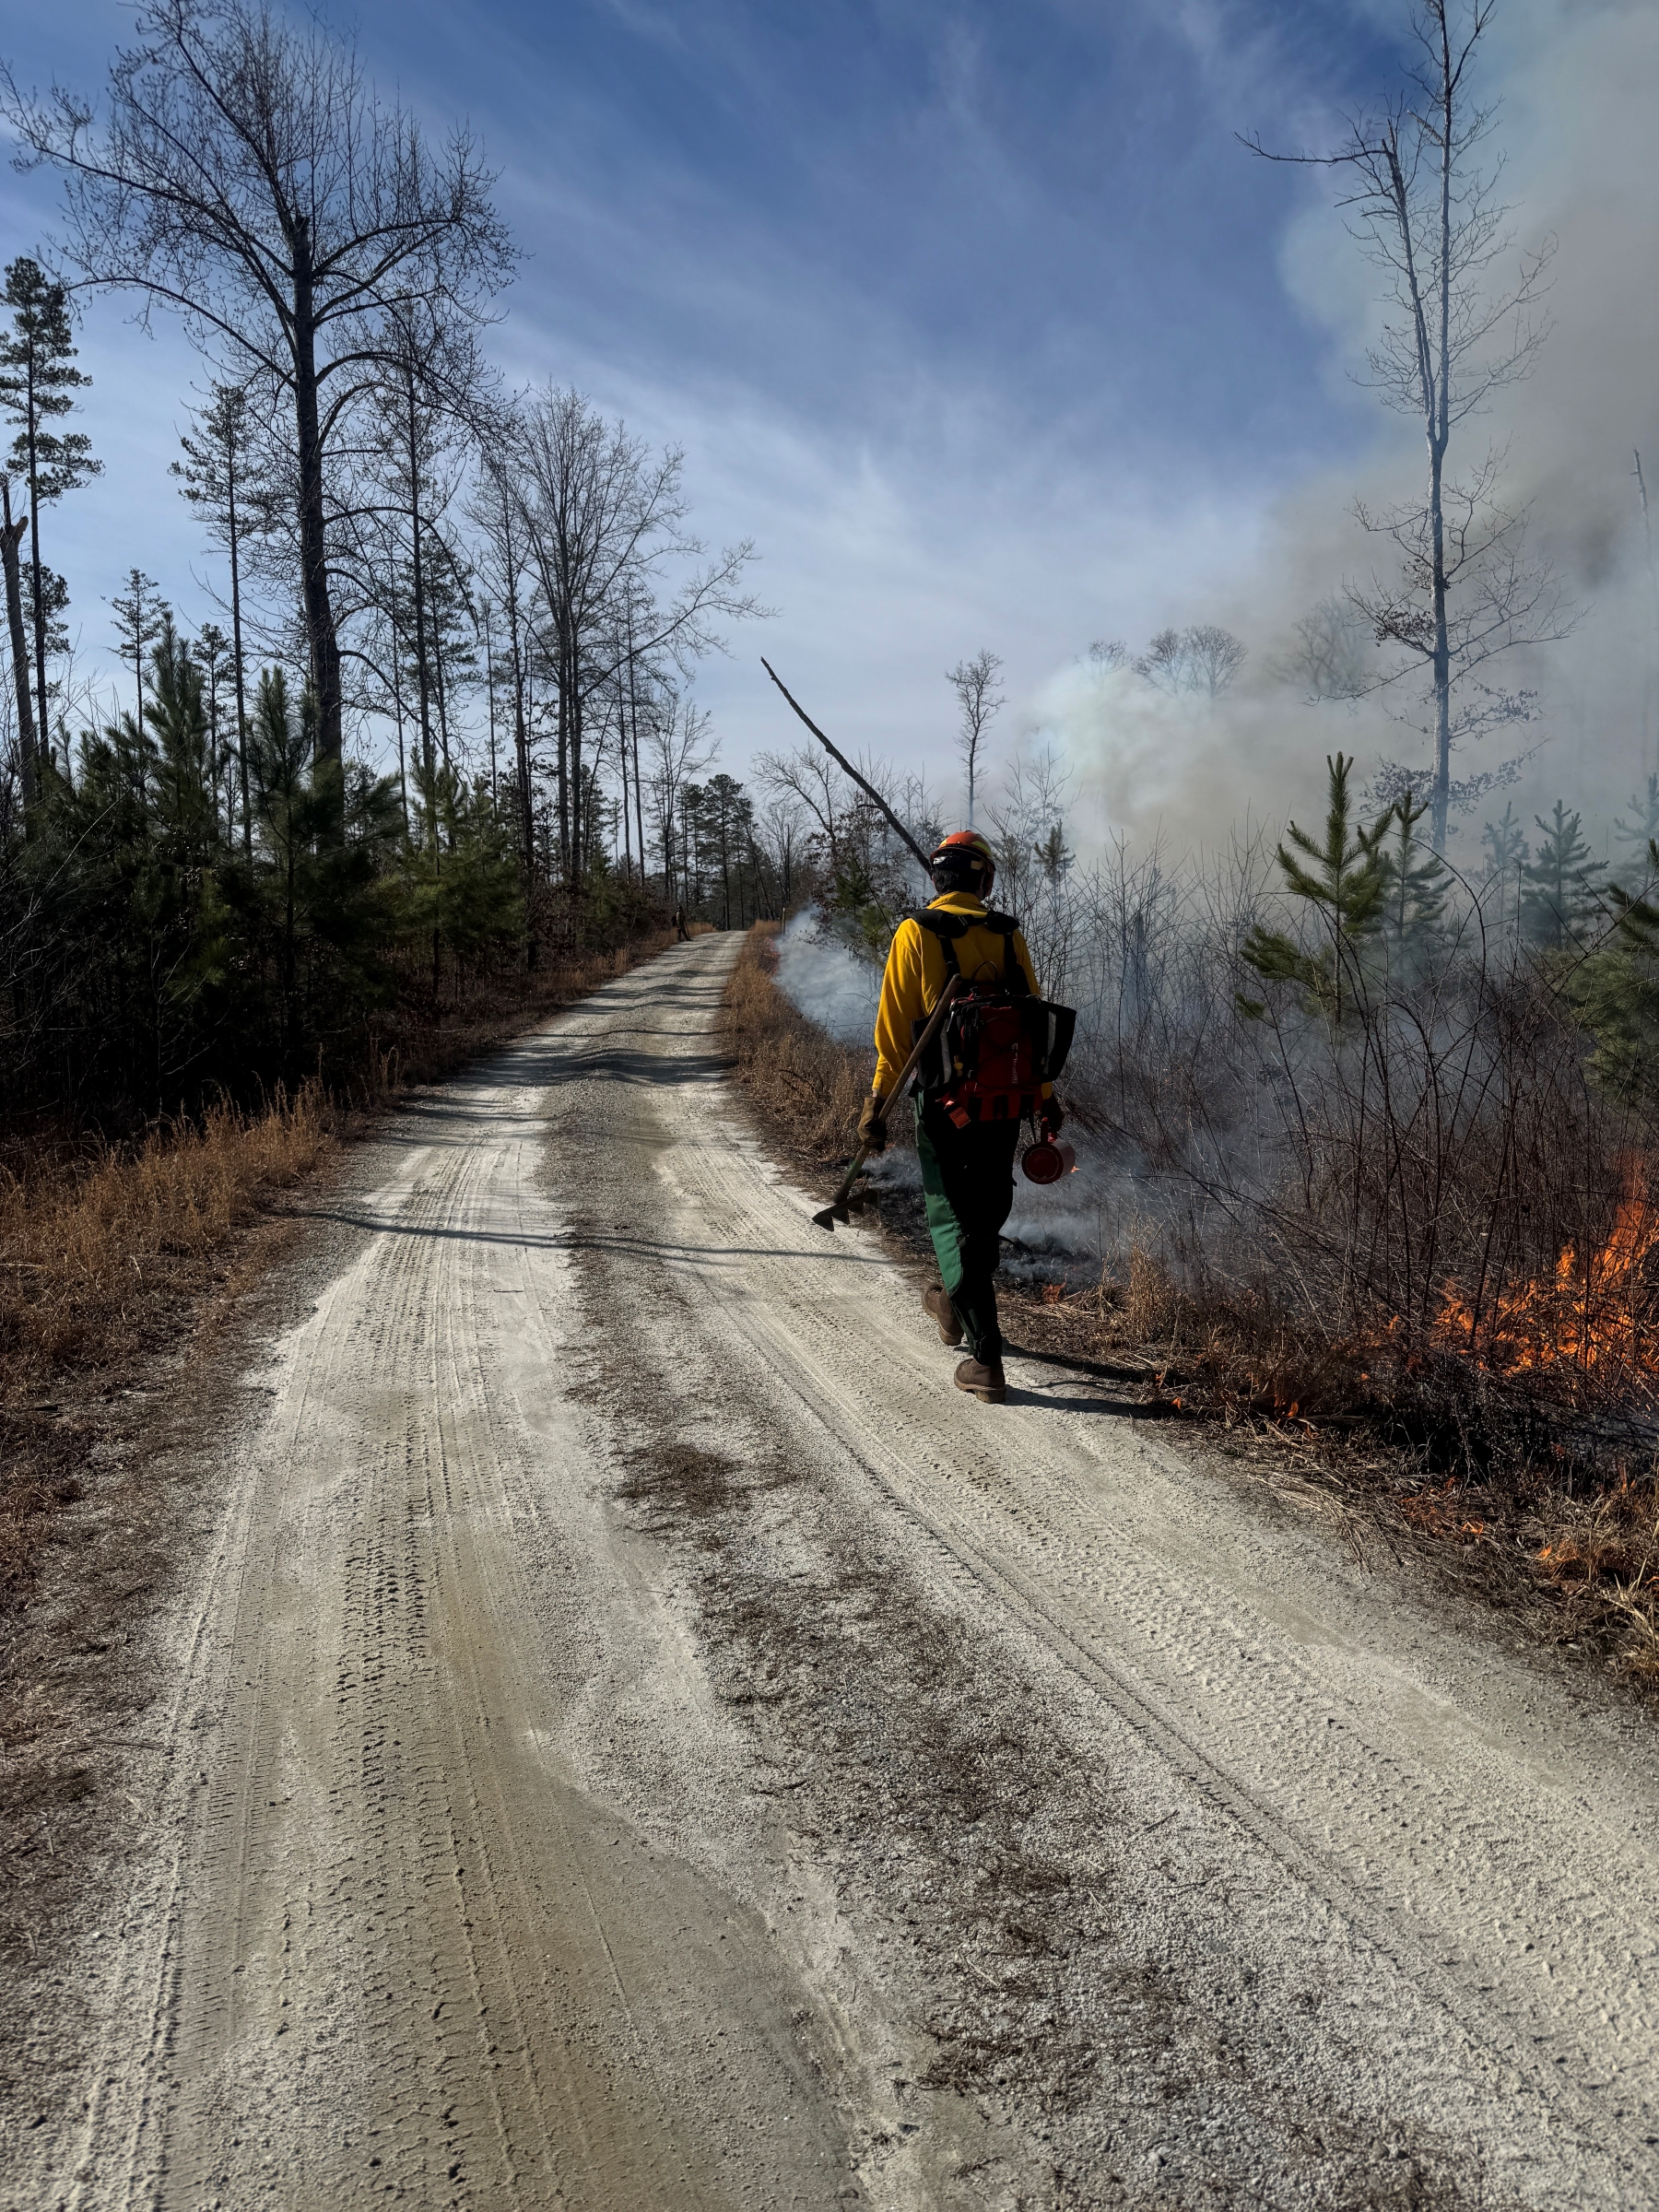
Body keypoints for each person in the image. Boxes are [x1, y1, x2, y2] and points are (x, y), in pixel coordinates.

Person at [859, 830, 1064, 1405]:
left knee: (952, 1216)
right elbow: (1033, 1027)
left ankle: (986, 1360)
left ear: (937, 881)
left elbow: (894, 1032)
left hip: (946, 1107)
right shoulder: (1006, 934)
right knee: (986, 1209)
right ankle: (953, 1305)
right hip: (1005, 1105)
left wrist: (876, 1104)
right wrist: (1045, 1095)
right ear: (984, 882)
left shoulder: (914, 933)